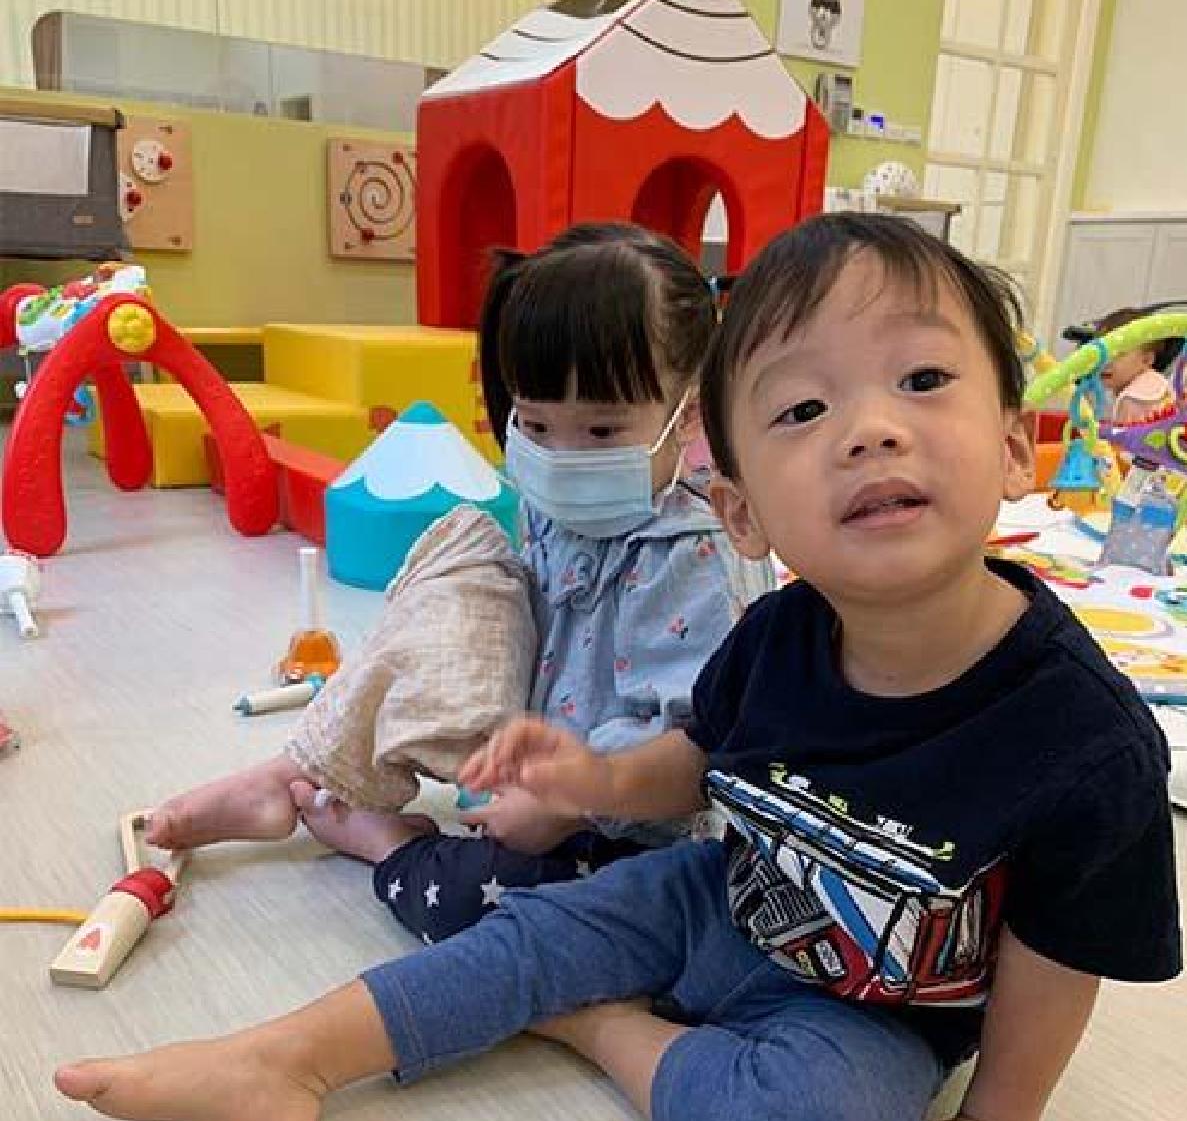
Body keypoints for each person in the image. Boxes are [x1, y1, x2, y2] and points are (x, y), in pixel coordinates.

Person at [55, 214, 1182, 1121]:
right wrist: (593, 776)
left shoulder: (1084, 735)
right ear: (741, 510)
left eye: (923, 380)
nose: (871, 428)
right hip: (717, 895)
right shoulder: (779, 632)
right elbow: (695, 759)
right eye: (803, 409)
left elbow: (1057, 957)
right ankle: (283, 1059)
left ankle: (595, 1026)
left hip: (875, 1007)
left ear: (1015, 446)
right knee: (525, 927)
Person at [144, 223, 764, 943]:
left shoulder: (692, 551)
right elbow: (495, 637)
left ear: (687, 412)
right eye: (536, 425)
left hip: (632, 827)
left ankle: (388, 845)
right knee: (464, 552)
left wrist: (563, 803)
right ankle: (293, 773)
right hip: (527, 759)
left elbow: (690, 752)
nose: (561, 456)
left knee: (487, 910)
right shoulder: (555, 502)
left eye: (601, 432)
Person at [1087, 306, 1181, 425]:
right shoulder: (1155, 383)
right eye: (1101, 353)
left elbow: (1122, 436)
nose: (1105, 362)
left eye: (1118, 354)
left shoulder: (1133, 400)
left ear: (1146, 360)